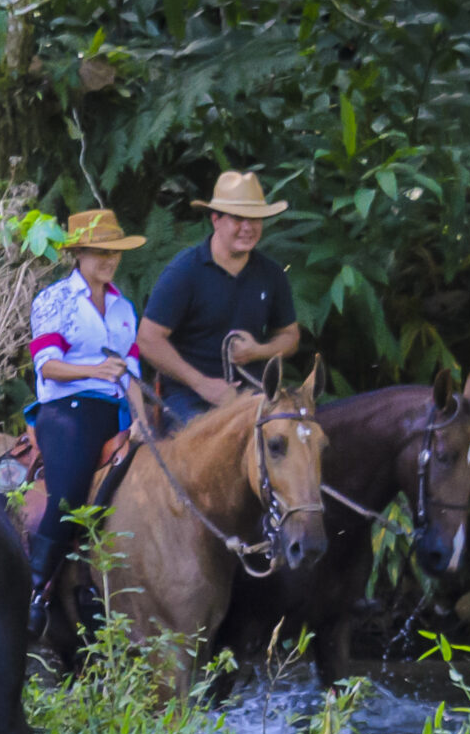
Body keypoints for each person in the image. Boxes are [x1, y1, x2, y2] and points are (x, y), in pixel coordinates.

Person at [25, 208, 145, 630]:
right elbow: (47, 365)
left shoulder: (123, 307)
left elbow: (132, 371)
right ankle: (33, 589)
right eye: (100, 251)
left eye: (114, 251)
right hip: (68, 409)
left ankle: (99, 586)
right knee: (70, 494)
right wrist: (96, 370)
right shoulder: (55, 299)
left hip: (117, 410)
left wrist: (143, 421)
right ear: (79, 253)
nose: (109, 259)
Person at [137, 170, 299, 429]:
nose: (247, 227)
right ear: (216, 220)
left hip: (253, 396)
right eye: (238, 218)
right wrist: (203, 384)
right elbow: (148, 339)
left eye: (254, 219)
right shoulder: (185, 271)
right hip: (189, 396)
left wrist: (259, 351)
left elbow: (290, 336)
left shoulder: (271, 274)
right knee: (202, 443)